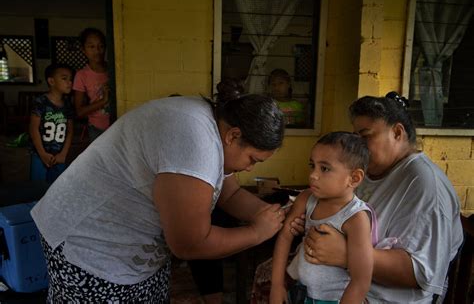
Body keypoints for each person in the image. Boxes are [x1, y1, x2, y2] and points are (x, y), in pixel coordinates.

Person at [30, 79, 287, 302]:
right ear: (234, 135)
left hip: (129, 244)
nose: (250, 168)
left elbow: (228, 194)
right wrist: (255, 233)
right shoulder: (196, 144)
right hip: (89, 242)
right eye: (253, 159)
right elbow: (190, 244)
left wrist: (271, 214)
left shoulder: (215, 125)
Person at [252, 92, 464, 304]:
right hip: (330, 281)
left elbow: (424, 273)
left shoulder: (426, 186)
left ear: (397, 133)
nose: (357, 146)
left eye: (365, 136)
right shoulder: (371, 172)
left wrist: (345, 254)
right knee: (268, 276)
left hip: (379, 298)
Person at [271, 131, 374, 304]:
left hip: (334, 299)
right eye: (313, 166)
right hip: (300, 291)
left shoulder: (356, 218)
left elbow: (360, 280)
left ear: (354, 178)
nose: (313, 175)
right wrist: (276, 285)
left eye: (324, 168)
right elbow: (285, 236)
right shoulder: (306, 199)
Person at [29, 63, 74, 184]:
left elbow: (70, 131)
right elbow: (34, 129)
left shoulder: (68, 104)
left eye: (71, 79)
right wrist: (42, 154)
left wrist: (63, 154)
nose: (69, 82)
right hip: (40, 155)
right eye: (64, 78)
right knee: (37, 188)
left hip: (59, 156)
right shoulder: (40, 102)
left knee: (57, 187)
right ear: (51, 81)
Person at [73, 27, 110, 142]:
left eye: (101, 46)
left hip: (118, 124)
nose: (97, 51)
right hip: (97, 128)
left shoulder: (114, 69)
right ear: (83, 50)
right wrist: (103, 101)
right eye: (91, 46)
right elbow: (79, 111)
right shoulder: (82, 75)